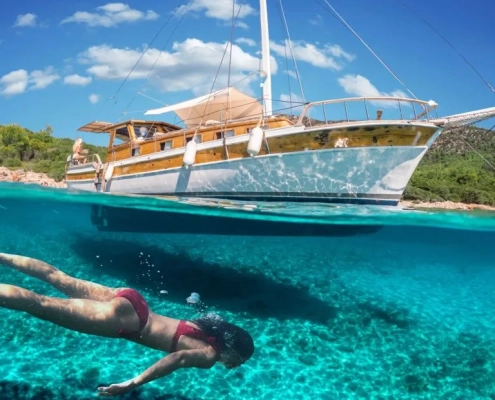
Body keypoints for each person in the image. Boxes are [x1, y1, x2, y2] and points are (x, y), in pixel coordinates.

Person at [0, 252, 254, 397]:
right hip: (128, 322)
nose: (232, 366)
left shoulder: (207, 327)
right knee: (39, 303)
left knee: (57, 276)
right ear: (234, 352)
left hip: (135, 301)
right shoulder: (210, 355)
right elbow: (175, 360)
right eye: (238, 361)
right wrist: (132, 383)